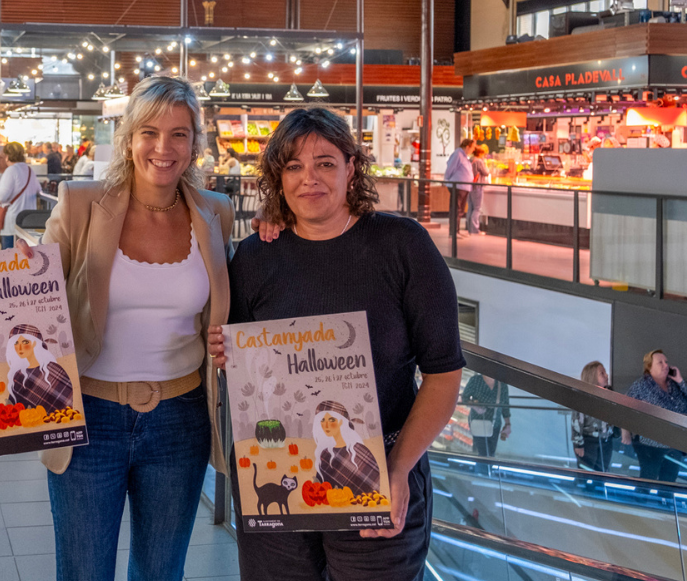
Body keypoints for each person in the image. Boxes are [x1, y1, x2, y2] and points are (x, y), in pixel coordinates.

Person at [207, 106, 464, 581]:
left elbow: (444, 374)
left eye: (325, 163)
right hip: (279, 469)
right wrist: (227, 357)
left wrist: (400, 468)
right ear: (277, 178)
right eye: (294, 166)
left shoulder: (402, 246)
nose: (311, 178)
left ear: (351, 167)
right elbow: (250, 375)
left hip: (379, 472)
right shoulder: (256, 257)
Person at [24, 75, 235, 581]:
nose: (164, 148)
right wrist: (18, 274)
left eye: (179, 134)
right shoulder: (80, 204)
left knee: (161, 572)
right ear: (128, 138)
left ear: (195, 144)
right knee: (83, 571)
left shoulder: (216, 213)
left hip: (180, 420)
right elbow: (33, 293)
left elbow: (234, 299)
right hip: (88, 416)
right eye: (150, 132)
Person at [622, 350, 687, 483]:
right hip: (651, 444)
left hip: (675, 443)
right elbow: (624, 407)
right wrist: (625, 432)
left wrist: (680, 380)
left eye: (666, 362)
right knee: (649, 478)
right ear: (649, 367)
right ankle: (641, 502)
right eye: (660, 362)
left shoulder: (675, 384)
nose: (666, 365)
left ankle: (666, 502)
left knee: (669, 481)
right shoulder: (640, 385)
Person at [6, 324, 74, 411]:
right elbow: (12, 408)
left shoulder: (56, 372)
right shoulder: (18, 374)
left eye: (25, 342)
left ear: (34, 343)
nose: (19, 348)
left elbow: (67, 407)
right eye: (16, 343)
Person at [0, 142, 40, 250]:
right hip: (28, 221)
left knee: (10, 259)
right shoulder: (29, 170)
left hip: (13, 222)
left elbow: (1, 197)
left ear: (7, 156)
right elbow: (38, 190)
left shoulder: (11, 170)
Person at [573, 361, 616, 473]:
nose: (606, 375)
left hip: (606, 440)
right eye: (602, 373)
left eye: (605, 372)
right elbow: (577, 422)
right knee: (587, 472)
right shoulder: (583, 397)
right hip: (589, 441)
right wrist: (578, 444)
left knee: (603, 471)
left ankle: (600, 489)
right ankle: (586, 489)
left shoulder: (610, 394)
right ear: (592, 377)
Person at [462, 372, 511, 458]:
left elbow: (505, 406)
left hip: (495, 425)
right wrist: (476, 407)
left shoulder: (502, 385)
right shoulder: (475, 380)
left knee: (491, 454)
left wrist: (508, 424)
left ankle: (485, 470)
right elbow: (464, 398)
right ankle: (482, 470)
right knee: (483, 454)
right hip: (477, 422)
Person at [443, 138, 475, 233]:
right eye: (472, 147)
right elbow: (450, 167)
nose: (473, 150)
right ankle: (453, 231)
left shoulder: (465, 156)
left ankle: (456, 230)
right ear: (467, 146)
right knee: (456, 209)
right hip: (457, 186)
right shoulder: (458, 154)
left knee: (460, 210)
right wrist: (447, 179)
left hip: (464, 187)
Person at [467, 145, 490, 235]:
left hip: (469, 187)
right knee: (477, 208)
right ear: (480, 153)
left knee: (470, 207)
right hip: (477, 187)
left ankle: (469, 227)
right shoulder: (479, 162)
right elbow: (486, 172)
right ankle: (475, 229)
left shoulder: (470, 160)